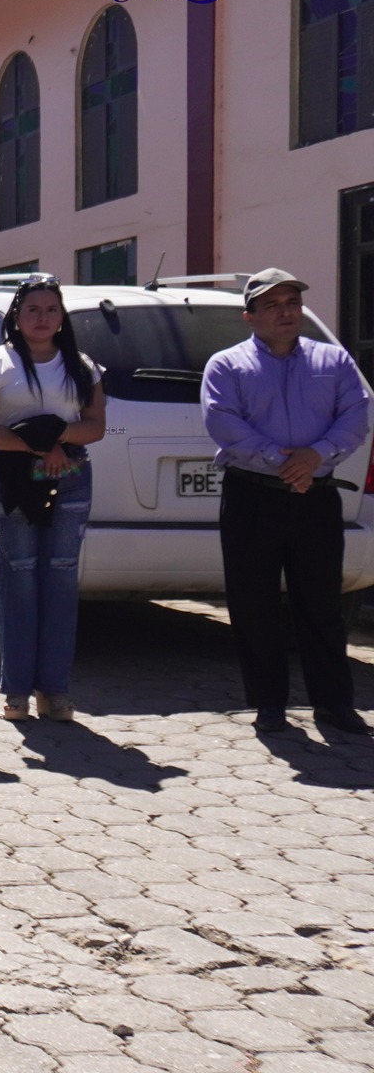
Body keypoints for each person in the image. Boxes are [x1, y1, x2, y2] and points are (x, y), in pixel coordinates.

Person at [203, 267, 373, 736]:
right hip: (252, 497)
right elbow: (223, 422)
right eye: (273, 305)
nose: (286, 312)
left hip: (315, 497)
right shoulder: (226, 365)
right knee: (253, 603)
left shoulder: (333, 360)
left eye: (293, 303)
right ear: (249, 316)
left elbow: (356, 414)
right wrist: (285, 462)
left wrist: (315, 457)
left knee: (321, 603)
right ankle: (269, 704)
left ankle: (334, 704)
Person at [0, 277, 106, 722]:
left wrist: (57, 440)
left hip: (70, 475)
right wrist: (42, 445)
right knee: (19, 578)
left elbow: (96, 426)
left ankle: (56, 691)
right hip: (12, 478)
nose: (42, 317)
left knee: (61, 579)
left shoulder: (82, 366)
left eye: (51, 309)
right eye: (33, 309)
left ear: (62, 316)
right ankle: (17, 691)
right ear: (17, 315)